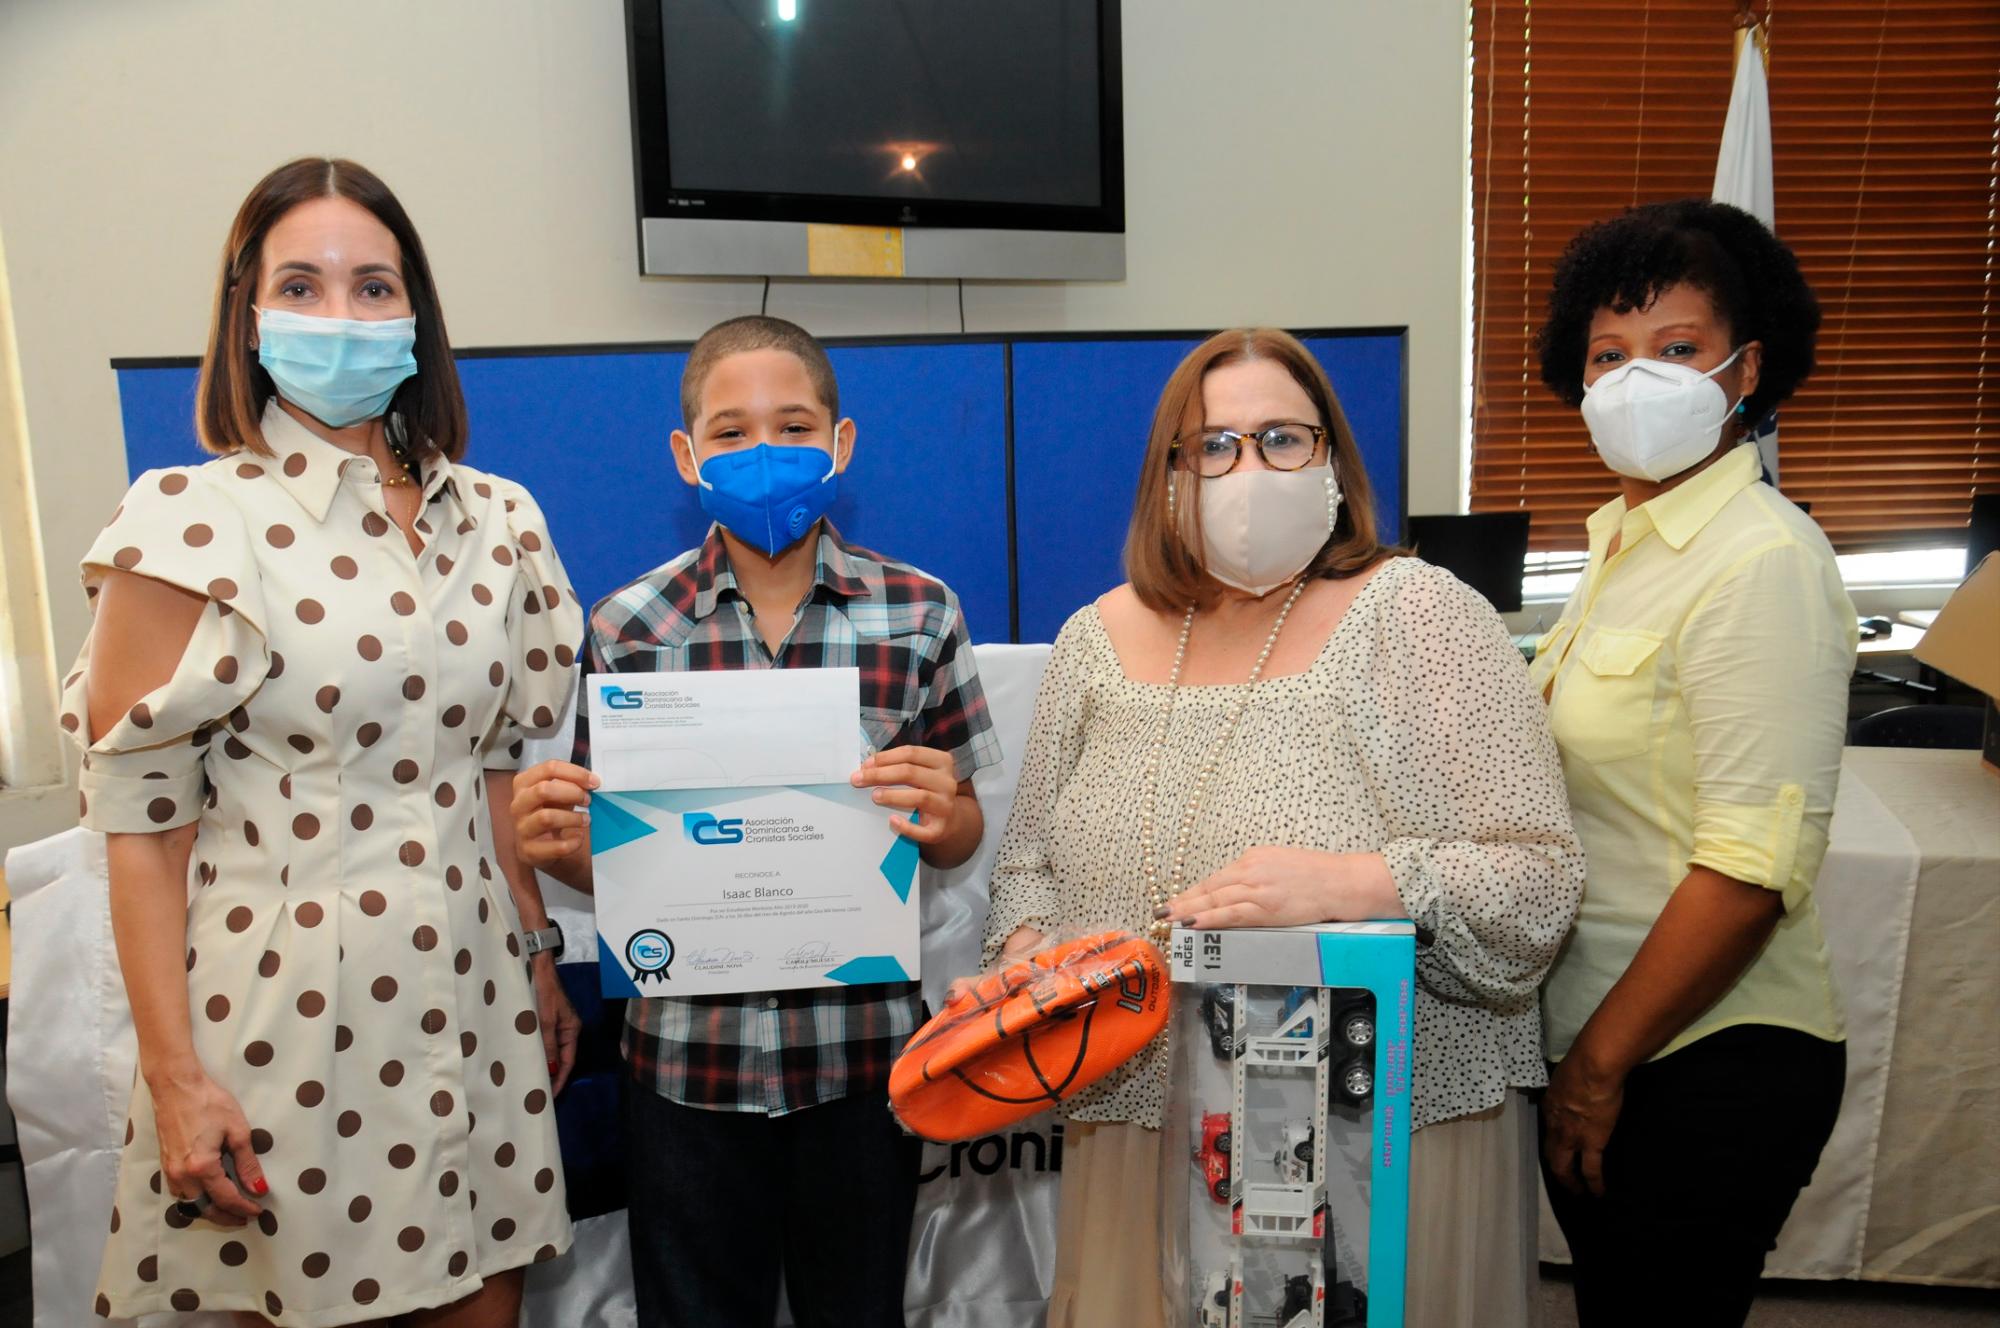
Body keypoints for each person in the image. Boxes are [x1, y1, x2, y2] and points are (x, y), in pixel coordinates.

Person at [62, 158, 582, 1327]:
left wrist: (539, 951)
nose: (339, 316)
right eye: (301, 284)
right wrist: (176, 1077)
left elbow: (492, 767)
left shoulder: (500, 518)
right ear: (247, 317)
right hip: (280, 1032)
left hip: (477, 1001)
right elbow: (140, 831)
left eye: (373, 286)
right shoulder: (189, 521)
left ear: (415, 316)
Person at [984, 327, 1585, 1328]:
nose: (1244, 470)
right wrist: (1024, 950)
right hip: (1136, 1113)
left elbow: (1533, 881)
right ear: (1168, 476)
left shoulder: (1415, 612)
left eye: (1279, 439)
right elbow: (1030, 860)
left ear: (1334, 463)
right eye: (1210, 446)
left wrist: (1348, 886)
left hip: (1359, 1120)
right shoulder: (1095, 634)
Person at [510, 314, 1002, 1328]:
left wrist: (941, 813)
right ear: (687, 454)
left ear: (841, 442)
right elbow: (620, 863)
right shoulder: (627, 625)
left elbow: (958, 834)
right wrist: (562, 847)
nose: (762, 448)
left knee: (856, 1311)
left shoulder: (919, 612)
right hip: (686, 1063)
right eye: (729, 431)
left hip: (861, 1057)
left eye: (792, 422)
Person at [1529, 199, 1851, 1327]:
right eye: (1606, 355)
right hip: (1607, 1033)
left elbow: (1748, 868)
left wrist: (1596, 1066)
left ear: (1743, 366)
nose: (1635, 379)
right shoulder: (1622, 545)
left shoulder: (1758, 557)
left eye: (1674, 349)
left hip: (1701, 1051)